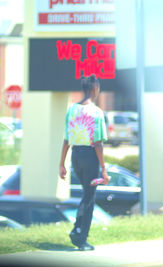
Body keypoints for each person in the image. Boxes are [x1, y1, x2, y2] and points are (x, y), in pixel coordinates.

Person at [59, 74, 110, 251]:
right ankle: (80, 236)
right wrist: (103, 169)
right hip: (90, 158)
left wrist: (61, 164)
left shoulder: (72, 109)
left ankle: (78, 230)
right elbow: (98, 144)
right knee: (89, 198)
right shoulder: (96, 112)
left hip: (76, 157)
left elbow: (66, 139)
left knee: (86, 195)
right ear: (95, 88)